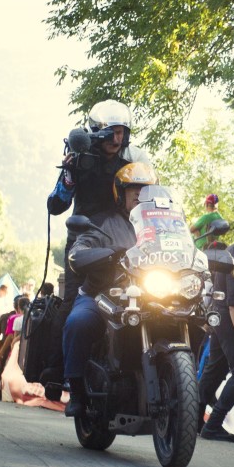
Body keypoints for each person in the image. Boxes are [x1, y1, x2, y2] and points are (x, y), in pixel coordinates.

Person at [47, 100, 151, 387]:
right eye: (111, 132)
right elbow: (55, 205)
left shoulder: (134, 161)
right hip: (86, 238)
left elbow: (154, 197)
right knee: (72, 304)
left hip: (127, 235)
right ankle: (61, 374)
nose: (117, 139)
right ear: (96, 131)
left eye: (122, 132)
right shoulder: (79, 159)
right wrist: (68, 176)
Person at [62, 163, 157, 417]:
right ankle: (77, 391)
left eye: (145, 189)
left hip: (151, 298)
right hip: (102, 295)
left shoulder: (161, 228)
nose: (139, 194)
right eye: (133, 189)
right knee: (78, 322)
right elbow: (78, 251)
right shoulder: (103, 223)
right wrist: (98, 255)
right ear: (120, 193)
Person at [198, 216, 234, 441]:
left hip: (219, 317)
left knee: (215, 371)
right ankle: (212, 425)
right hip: (228, 318)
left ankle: (192, 419)